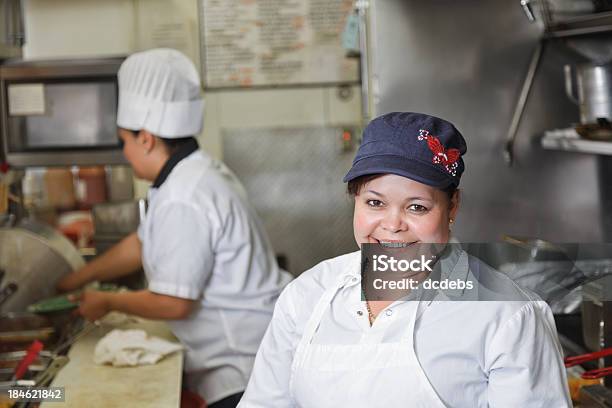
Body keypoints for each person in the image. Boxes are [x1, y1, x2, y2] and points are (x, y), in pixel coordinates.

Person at [238, 112, 571, 407]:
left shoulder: (508, 315)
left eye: (417, 207)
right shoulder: (307, 296)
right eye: (375, 203)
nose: (393, 225)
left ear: (452, 206)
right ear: (355, 199)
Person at [56, 48, 292, 408]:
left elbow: (174, 302)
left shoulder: (184, 194)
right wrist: (73, 278)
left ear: (146, 138)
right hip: (255, 355)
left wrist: (106, 301)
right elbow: (141, 243)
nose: (125, 152)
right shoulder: (191, 174)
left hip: (244, 370)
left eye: (125, 141)